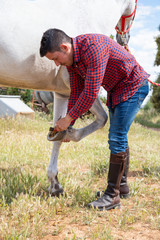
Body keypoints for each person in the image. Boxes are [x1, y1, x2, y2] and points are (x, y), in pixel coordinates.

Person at [40, 28, 149, 210]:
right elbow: (77, 92)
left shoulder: (93, 47)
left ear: (64, 47)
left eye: (55, 59)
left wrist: (68, 119)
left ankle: (111, 197)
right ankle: (121, 187)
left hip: (132, 87)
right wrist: (69, 126)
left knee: (116, 137)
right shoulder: (72, 62)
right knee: (119, 137)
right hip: (117, 89)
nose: (57, 64)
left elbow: (91, 93)